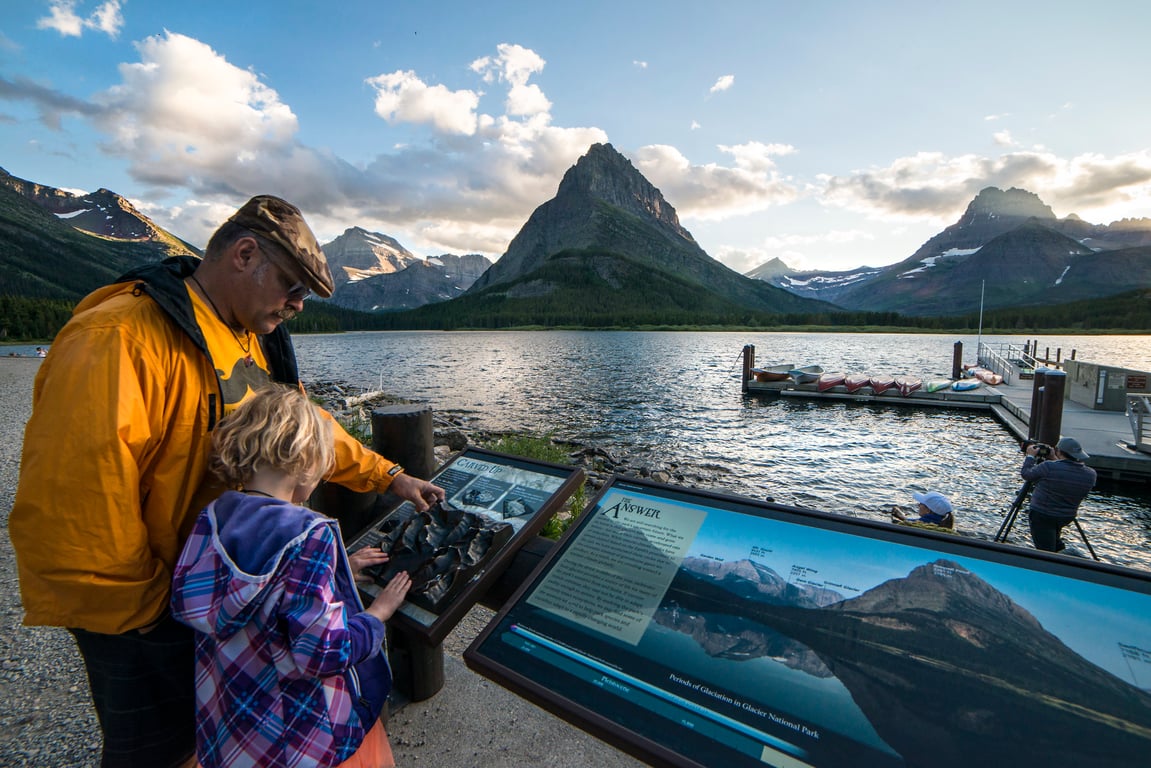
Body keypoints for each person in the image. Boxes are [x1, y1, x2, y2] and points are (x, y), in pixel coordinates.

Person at [10, 194, 444, 768]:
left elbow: (299, 435)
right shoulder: (120, 338)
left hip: (205, 590)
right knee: (159, 750)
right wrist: (148, 622)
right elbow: (75, 508)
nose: (298, 305)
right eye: (292, 286)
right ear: (244, 254)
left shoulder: (247, 334)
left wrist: (388, 475)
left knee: (218, 733)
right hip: (143, 613)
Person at [171, 385, 410, 768]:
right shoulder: (310, 534)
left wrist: (339, 567)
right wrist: (377, 615)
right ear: (305, 461)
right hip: (296, 739)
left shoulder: (214, 516)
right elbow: (324, 652)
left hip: (233, 730)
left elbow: (254, 583)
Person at [1022, 436, 1096, 552]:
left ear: (1059, 451)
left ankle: (1053, 564)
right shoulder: (1091, 474)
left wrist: (1030, 456)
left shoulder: (1048, 467)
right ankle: (1061, 552)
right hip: (1066, 517)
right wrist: (1053, 458)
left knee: (1045, 551)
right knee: (1053, 540)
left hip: (1042, 515)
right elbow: (1066, 470)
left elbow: (1027, 474)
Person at [891, 491, 955, 529]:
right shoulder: (943, 524)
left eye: (921, 503)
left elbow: (911, 522)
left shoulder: (919, 525)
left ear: (928, 510)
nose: (918, 505)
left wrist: (900, 516)